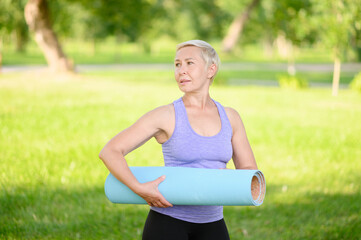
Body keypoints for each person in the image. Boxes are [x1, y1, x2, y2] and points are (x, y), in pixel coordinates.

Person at [99, 40, 258, 240]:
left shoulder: (230, 117)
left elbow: (250, 171)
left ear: (211, 69)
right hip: (168, 223)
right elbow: (110, 151)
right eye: (177, 64)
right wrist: (139, 189)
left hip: (213, 223)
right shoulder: (166, 115)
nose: (181, 70)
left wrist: (228, 179)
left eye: (189, 63)